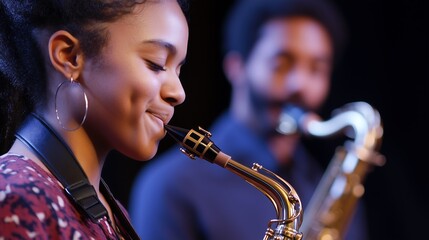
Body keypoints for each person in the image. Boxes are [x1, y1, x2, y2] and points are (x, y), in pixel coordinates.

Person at [129, 0, 370, 239]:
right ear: (236, 66)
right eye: (282, 65)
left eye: (317, 69)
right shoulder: (172, 185)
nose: (300, 85)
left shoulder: (331, 190)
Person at [0, 0, 189, 239]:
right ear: (70, 57)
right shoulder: (15, 197)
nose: (179, 93)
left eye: (179, 69)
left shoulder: (112, 212)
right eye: (157, 64)